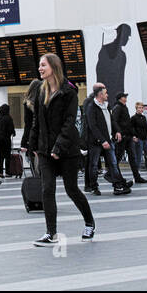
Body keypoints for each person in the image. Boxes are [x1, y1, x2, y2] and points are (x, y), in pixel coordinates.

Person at [32, 54, 95, 245]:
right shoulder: (40, 91)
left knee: (72, 189)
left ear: (53, 67)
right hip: (45, 150)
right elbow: (37, 122)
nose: (40, 68)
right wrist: (33, 146)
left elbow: (70, 123)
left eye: (43, 65)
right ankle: (50, 233)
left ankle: (89, 222)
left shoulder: (69, 92)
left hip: (67, 150)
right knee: (47, 189)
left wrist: (59, 146)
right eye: (40, 65)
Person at [83, 84, 129, 195]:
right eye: (105, 93)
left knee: (113, 163)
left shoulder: (107, 106)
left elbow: (112, 120)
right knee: (94, 165)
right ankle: (94, 187)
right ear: (100, 94)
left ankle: (118, 186)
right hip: (95, 142)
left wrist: (117, 131)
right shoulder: (91, 107)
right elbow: (92, 126)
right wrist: (102, 140)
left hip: (109, 139)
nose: (107, 95)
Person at [113, 94, 147, 184]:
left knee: (132, 157)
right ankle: (118, 177)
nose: (126, 98)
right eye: (124, 97)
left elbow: (128, 124)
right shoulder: (117, 108)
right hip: (122, 137)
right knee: (118, 158)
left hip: (128, 136)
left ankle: (137, 177)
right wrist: (118, 132)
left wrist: (133, 135)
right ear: (120, 99)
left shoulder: (124, 107)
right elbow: (114, 121)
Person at [0, 103, 14, 178]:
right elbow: (11, 129)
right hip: (6, 139)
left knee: (1, 155)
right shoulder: (8, 118)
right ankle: (7, 172)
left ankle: (1, 172)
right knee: (7, 156)